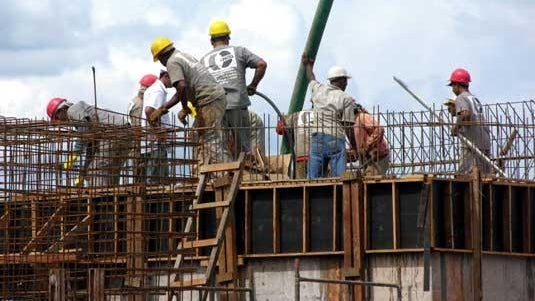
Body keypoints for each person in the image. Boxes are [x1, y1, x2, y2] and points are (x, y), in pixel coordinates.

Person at [149, 37, 231, 167]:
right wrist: (165, 108)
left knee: (211, 138)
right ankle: (207, 171)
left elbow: (181, 86)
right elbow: (182, 89)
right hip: (213, 97)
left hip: (208, 99)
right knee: (197, 134)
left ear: (160, 56)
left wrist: (183, 107)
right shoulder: (182, 56)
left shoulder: (172, 62)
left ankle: (226, 172)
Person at [200, 20, 267, 158]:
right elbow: (261, 64)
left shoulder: (204, 60)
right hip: (237, 103)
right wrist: (253, 85)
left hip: (216, 107)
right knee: (244, 143)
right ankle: (249, 169)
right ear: (228, 38)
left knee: (220, 145)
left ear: (211, 41)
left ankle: (227, 173)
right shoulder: (239, 51)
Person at [46, 97, 133, 186]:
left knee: (97, 169)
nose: (59, 121)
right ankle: (113, 195)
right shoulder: (85, 114)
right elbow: (91, 148)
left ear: (61, 110)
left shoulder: (72, 110)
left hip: (113, 132)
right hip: (126, 133)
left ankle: (101, 197)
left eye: (57, 117)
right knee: (113, 168)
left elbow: (84, 125)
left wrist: (76, 153)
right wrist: (83, 172)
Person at [301, 54, 355, 178]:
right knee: (340, 178)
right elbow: (348, 125)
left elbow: (311, 78)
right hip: (335, 138)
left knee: (314, 179)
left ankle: (312, 194)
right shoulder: (346, 98)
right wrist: (354, 146)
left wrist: (307, 65)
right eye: (345, 81)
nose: (346, 84)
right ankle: (340, 193)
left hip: (317, 137)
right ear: (341, 81)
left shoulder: (318, 90)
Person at [447, 68, 492, 175]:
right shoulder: (474, 98)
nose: (452, 89)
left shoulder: (461, 98)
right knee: (484, 175)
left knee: (465, 175)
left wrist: (456, 128)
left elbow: (465, 113)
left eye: (452, 85)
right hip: (484, 140)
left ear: (457, 85)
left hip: (471, 142)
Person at [142, 70, 173, 183]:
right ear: (166, 76)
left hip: (153, 141)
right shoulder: (158, 90)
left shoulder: (155, 89)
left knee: (158, 178)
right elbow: (149, 111)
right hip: (156, 142)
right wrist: (159, 132)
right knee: (156, 181)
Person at [352, 104, 389, 176]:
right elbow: (356, 146)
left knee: (371, 183)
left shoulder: (362, 117)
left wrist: (368, 146)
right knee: (365, 183)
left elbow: (379, 129)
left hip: (378, 158)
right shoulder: (354, 123)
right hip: (369, 160)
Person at [276, 110, 313, 179]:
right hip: (318, 155)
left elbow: (280, 129)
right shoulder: (323, 114)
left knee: (301, 183)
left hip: (301, 154)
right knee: (319, 181)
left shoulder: (296, 115)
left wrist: (283, 118)